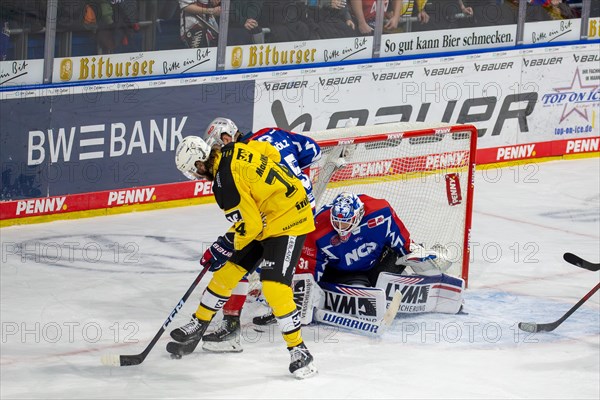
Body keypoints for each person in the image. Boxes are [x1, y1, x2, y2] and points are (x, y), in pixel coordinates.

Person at [170, 118, 318, 379]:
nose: (196, 177)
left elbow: (247, 227)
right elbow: (268, 152)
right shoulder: (233, 148)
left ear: (200, 164)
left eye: (194, 172)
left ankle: (299, 350)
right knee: (228, 272)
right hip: (267, 216)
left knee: (274, 287)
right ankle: (199, 323)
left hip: (288, 220)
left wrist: (223, 245)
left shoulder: (223, 185)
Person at [252, 191, 463, 327]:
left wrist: (415, 256)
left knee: (402, 264)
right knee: (359, 290)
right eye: (338, 223)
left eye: (347, 224)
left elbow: (402, 242)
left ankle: (415, 284)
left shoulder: (381, 212)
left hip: (377, 263)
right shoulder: (316, 228)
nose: (342, 230)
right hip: (343, 274)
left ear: (359, 214)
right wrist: (307, 295)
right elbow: (310, 271)